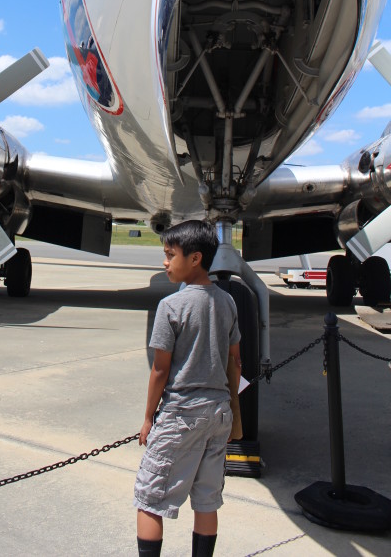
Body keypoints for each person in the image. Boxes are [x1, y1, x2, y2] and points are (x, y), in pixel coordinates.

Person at [133, 220, 242, 557]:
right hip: (218, 413)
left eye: (170, 255)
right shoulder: (227, 302)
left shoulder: (171, 306)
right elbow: (234, 363)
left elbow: (160, 369)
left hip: (181, 414)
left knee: (150, 499)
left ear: (195, 258)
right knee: (207, 500)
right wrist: (233, 411)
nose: (165, 262)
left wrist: (149, 417)